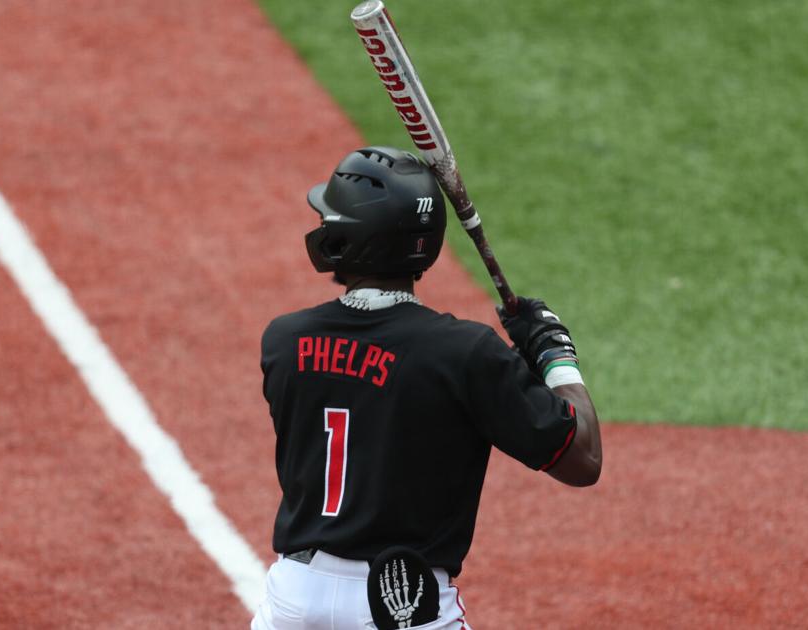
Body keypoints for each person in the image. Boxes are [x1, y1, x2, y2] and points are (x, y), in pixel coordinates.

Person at [250, 146, 602, 630]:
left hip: (294, 602)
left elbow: (373, 382)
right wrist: (553, 354)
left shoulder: (284, 342)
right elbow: (582, 459)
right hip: (403, 606)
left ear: (346, 239)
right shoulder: (466, 353)